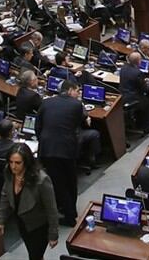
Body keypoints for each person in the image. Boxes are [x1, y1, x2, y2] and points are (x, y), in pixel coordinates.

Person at [36, 81, 100, 226]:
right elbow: (79, 124)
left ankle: (67, 210)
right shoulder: (76, 105)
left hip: (48, 149)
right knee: (69, 182)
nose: (78, 94)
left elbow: (38, 127)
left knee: (58, 181)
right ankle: (70, 216)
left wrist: (45, 142)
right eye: (77, 90)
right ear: (70, 90)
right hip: (67, 148)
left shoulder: (46, 103)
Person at [0, 144, 57, 259]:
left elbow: (51, 209)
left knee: (35, 255)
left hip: (38, 226)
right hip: (22, 222)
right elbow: (5, 195)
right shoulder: (9, 172)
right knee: (32, 253)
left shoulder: (41, 180)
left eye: (18, 163)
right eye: (11, 162)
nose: (13, 166)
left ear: (27, 162)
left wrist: (53, 234)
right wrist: (1, 220)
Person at [119, 52, 149, 134]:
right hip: (133, 98)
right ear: (139, 61)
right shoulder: (137, 73)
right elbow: (145, 88)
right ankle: (147, 127)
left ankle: (138, 122)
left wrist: (143, 80)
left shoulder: (123, 68)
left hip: (122, 96)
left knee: (144, 100)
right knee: (147, 103)